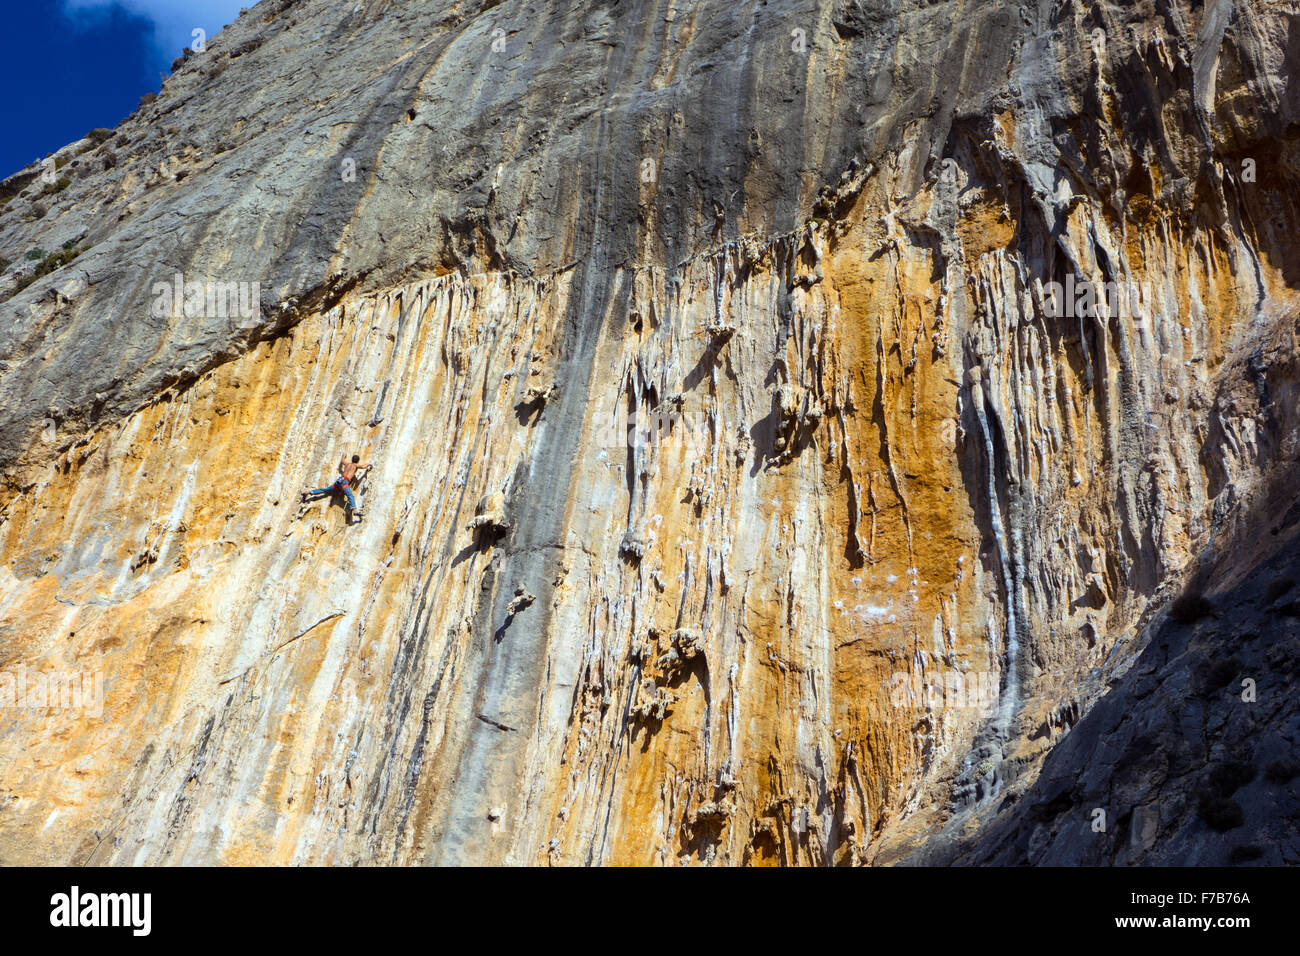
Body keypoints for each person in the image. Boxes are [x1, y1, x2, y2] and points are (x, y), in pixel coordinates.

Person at [302, 454, 370, 516]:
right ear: (357, 461)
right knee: (350, 496)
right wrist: (369, 464)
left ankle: (309, 492)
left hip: (339, 481)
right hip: (344, 483)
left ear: (352, 459)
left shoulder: (347, 463)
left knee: (326, 490)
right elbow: (363, 466)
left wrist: (344, 456)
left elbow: (342, 461)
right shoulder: (355, 465)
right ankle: (354, 511)